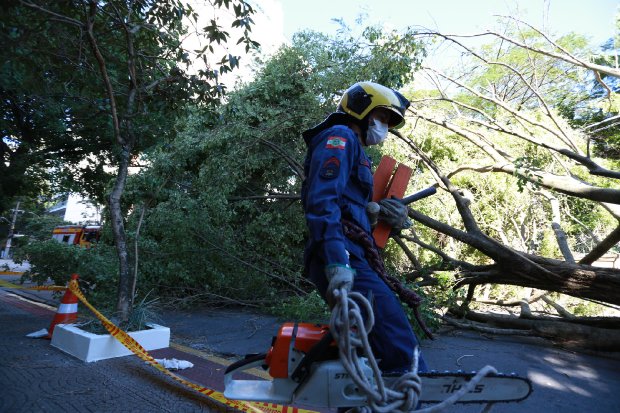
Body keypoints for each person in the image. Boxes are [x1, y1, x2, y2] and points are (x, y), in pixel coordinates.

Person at [301, 81, 428, 380]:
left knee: (366, 350)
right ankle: (409, 394)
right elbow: (322, 202)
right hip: (342, 256)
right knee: (399, 349)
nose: (384, 126)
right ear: (362, 109)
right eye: (382, 117)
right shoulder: (340, 136)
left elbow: (342, 205)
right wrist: (336, 261)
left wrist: (372, 218)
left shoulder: (355, 148)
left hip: (351, 251)